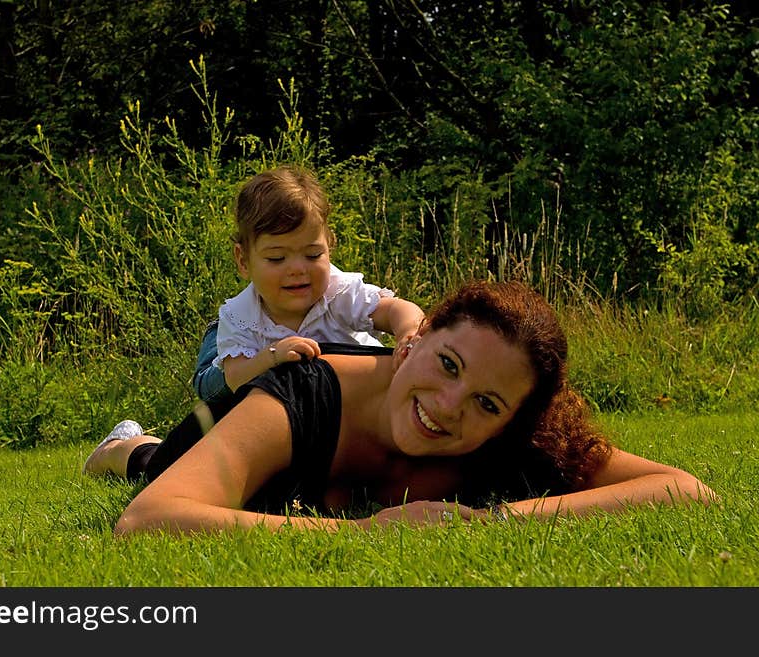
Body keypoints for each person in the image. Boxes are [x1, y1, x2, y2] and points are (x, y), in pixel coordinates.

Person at [84, 279, 716, 535]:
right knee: (160, 464)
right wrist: (359, 534)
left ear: (509, 421)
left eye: (486, 403)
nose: (446, 407)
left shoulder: (509, 443)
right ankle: (122, 447)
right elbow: (148, 519)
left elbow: (686, 490)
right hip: (233, 420)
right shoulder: (303, 391)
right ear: (418, 337)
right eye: (447, 364)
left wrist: (496, 522)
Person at [191, 165, 425, 403]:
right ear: (243, 260)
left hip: (361, 400)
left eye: (313, 255)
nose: (297, 270)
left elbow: (397, 309)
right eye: (277, 258)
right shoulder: (239, 316)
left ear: (329, 246)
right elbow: (235, 377)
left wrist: (408, 333)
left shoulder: (338, 293)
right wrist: (273, 357)